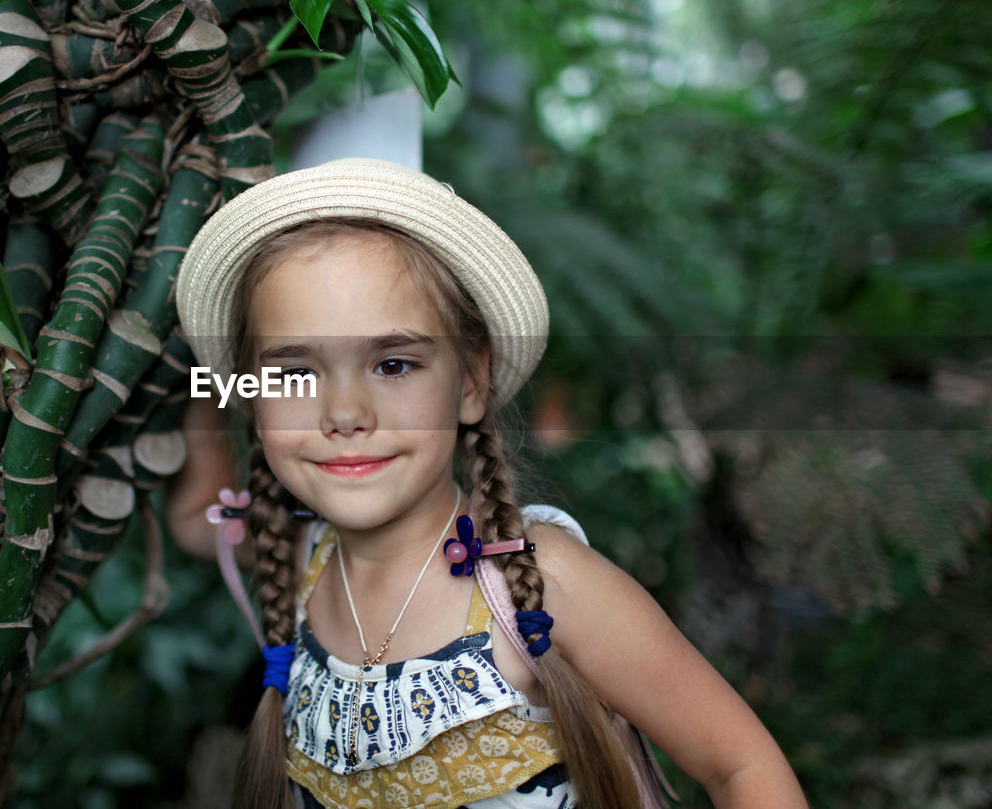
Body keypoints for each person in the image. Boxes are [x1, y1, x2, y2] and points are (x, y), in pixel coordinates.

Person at [167, 158, 808, 809]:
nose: (344, 414)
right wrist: (214, 386)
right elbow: (196, 517)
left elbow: (743, 766)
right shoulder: (301, 560)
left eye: (393, 363)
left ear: (470, 380)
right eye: (295, 374)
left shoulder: (536, 581)